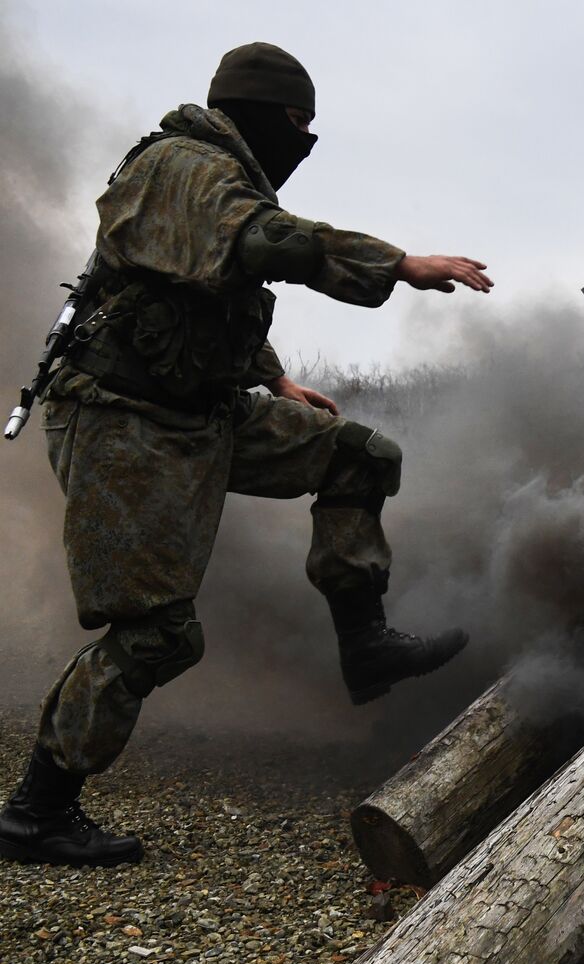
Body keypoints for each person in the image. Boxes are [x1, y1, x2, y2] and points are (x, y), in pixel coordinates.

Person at [0, 42, 490, 867]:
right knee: (156, 636)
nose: (304, 142)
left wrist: (278, 380)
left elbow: (193, 293)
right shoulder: (183, 166)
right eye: (298, 124)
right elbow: (258, 242)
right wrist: (396, 264)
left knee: (359, 456)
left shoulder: (215, 173)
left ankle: (364, 644)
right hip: (126, 426)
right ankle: (36, 812)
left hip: (204, 414)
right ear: (259, 113)